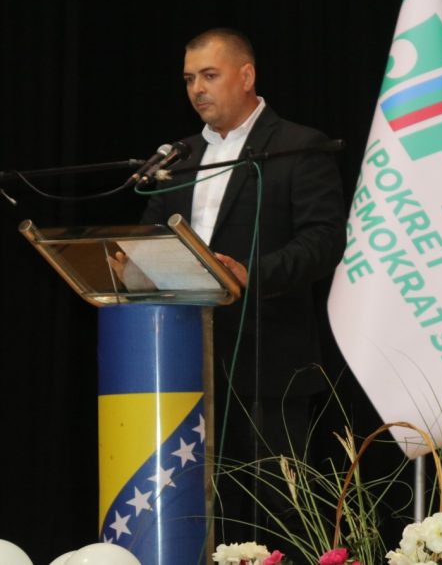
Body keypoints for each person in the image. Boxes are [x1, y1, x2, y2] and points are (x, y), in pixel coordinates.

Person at [139, 27, 346, 545]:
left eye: (209, 75)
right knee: (195, 510)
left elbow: (323, 241)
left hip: (267, 361)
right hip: (181, 363)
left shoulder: (297, 146)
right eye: (189, 78)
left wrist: (252, 273)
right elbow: (148, 239)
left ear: (247, 75)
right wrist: (129, 262)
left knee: (280, 514)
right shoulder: (177, 157)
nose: (197, 89)